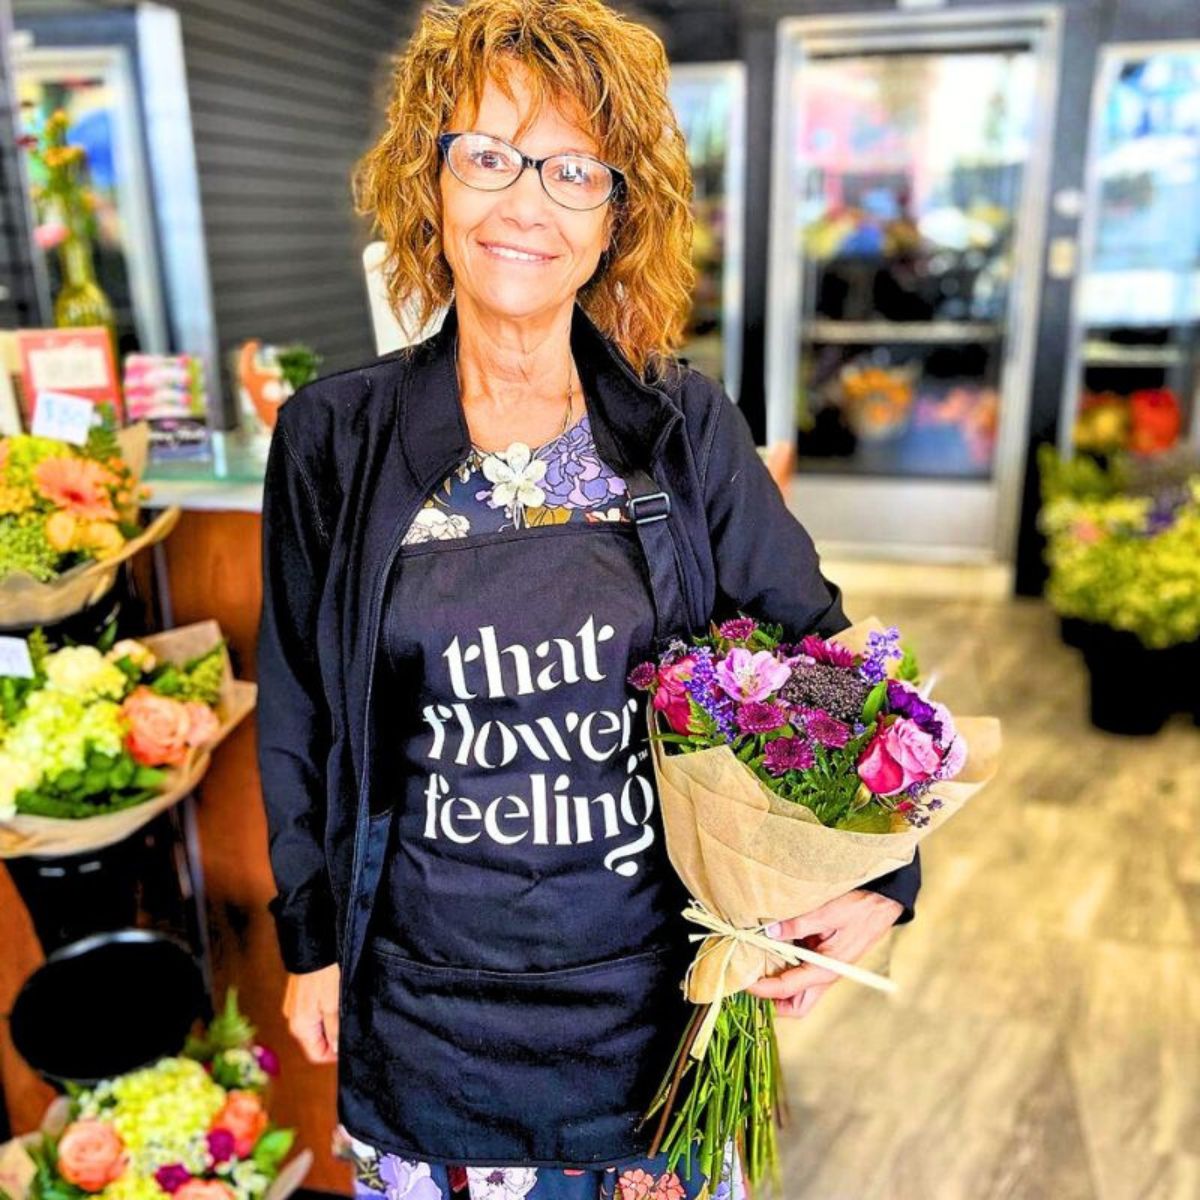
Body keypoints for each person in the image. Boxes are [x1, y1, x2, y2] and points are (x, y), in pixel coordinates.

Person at [255, 3, 921, 1199]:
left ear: (617, 216)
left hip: (649, 1012)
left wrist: (880, 877)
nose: (525, 205)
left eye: (573, 170)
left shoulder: (682, 427)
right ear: (433, 182)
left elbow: (817, 653)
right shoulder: (332, 440)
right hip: (423, 1006)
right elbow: (301, 708)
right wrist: (309, 944)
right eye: (488, 156)